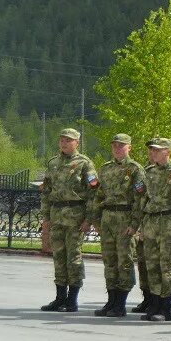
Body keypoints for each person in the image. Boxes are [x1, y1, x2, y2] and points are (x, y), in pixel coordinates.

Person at [38, 128, 98, 313]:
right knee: (59, 257)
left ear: (77, 143)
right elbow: (47, 192)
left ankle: (72, 300)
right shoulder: (53, 163)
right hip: (57, 215)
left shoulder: (84, 163)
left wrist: (89, 219)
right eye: (62, 140)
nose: (64, 143)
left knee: (73, 258)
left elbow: (93, 193)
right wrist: (46, 218)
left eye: (68, 140)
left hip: (75, 216)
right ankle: (59, 298)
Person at [137, 138, 171, 322]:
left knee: (167, 265)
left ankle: (165, 307)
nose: (152, 153)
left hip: (169, 222)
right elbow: (143, 199)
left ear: (167, 152)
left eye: (157, 150)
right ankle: (155, 303)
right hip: (151, 221)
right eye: (151, 150)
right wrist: (141, 225)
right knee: (151, 265)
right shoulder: (148, 171)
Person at [91, 134, 146, 318]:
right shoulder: (105, 168)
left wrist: (135, 224)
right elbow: (99, 195)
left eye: (121, 145)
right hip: (108, 217)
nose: (117, 148)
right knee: (109, 261)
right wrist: (96, 220)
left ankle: (120, 303)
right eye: (115, 145)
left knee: (124, 261)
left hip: (125, 217)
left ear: (129, 147)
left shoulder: (135, 169)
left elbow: (140, 199)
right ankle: (111, 301)